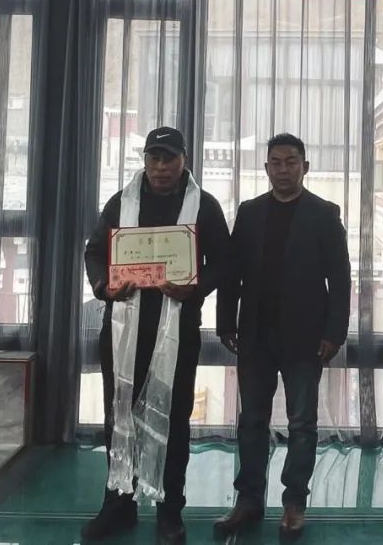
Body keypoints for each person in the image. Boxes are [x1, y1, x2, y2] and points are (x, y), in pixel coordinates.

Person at [83, 127, 232, 545]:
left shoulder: (203, 206)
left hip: (177, 332)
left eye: (169, 158)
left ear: (184, 160)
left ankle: (170, 511)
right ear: (145, 160)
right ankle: (118, 503)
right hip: (123, 331)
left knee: (174, 419)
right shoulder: (122, 202)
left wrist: (195, 287)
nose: (161, 167)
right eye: (154, 158)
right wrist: (104, 287)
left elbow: (225, 262)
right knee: (119, 416)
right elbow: (95, 252)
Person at [215, 133, 351, 539]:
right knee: (251, 421)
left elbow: (340, 280)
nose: (283, 170)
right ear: (266, 169)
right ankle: (248, 500)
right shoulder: (250, 212)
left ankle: (294, 502)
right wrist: (225, 322)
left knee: (302, 423)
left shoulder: (324, 214)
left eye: (291, 162)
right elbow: (232, 273)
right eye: (276, 162)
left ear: (305, 167)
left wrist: (335, 333)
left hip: (305, 338)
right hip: (255, 334)